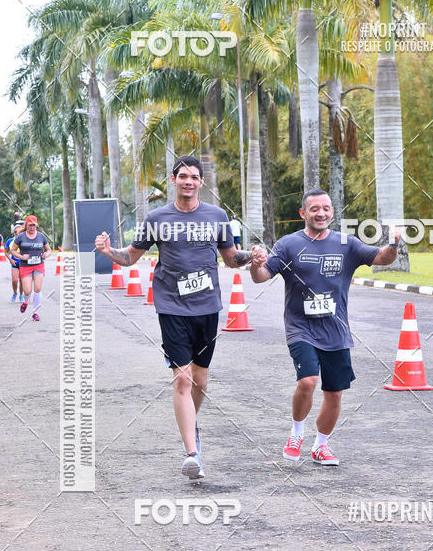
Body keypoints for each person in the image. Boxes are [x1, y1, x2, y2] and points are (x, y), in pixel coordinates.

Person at [95, 154, 252, 480]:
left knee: (201, 380)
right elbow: (131, 257)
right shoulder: (157, 218)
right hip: (171, 307)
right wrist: (110, 252)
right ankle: (192, 453)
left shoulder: (217, 216)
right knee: (182, 378)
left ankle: (190, 422)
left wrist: (252, 255)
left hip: (208, 306)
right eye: (183, 176)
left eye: (194, 177)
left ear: (201, 182)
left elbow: (232, 258)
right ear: (173, 179)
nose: (189, 181)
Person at [250, 189, 400, 466]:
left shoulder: (347, 244)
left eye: (326, 208)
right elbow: (261, 276)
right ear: (303, 213)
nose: (321, 213)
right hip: (300, 328)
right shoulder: (288, 245)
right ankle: (296, 434)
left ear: (332, 212)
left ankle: (321, 446)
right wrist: (255, 265)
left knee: (334, 393)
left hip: (336, 331)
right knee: (307, 380)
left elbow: (383, 258)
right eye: (314, 208)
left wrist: (393, 243)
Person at [10, 215, 51, 321]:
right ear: (26, 225)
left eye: (34, 225)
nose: (32, 227)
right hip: (25, 266)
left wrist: (46, 255)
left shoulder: (41, 236)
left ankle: (35, 313)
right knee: (27, 291)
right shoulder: (20, 236)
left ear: (36, 225)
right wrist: (21, 256)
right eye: (30, 225)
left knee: (37, 289)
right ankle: (25, 301)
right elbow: (13, 250)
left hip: (39, 265)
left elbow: (49, 250)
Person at [4, 222, 25, 302]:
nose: (17, 233)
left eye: (19, 231)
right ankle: (15, 292)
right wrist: (11, 260)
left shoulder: (24, 240)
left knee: (22, 281)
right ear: (14, 232)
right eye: (16, 232)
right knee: (15, 280)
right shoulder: (10, 241)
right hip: (14, 263)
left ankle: (21, 295)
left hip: (23, 264)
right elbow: (6, 252)